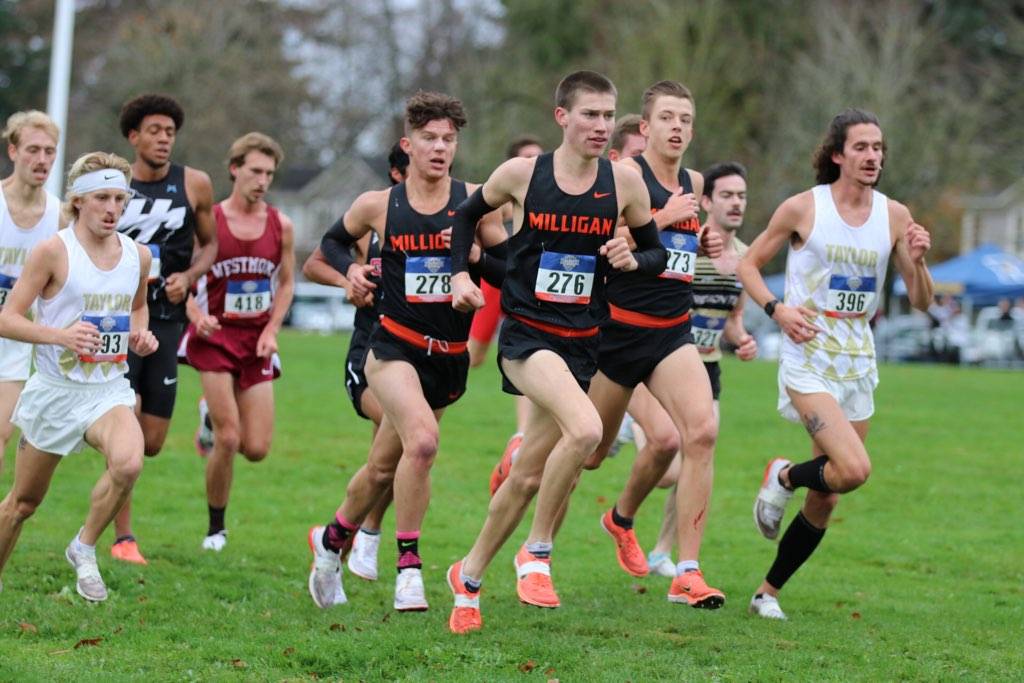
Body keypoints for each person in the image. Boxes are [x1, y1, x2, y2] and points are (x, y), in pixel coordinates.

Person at [445, 70, 668, 633]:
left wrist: (628, 258)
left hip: (582, 342)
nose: (600, 125)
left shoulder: (625, 185)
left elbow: (655, 255)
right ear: (561, 117)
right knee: (589, 431)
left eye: (607, 115)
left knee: (525, 476)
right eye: (589, 114)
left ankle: (467, 579)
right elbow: (467, 216)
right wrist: (457, 274)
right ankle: (536, 553)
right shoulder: (523, 174)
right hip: (527, 336)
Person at [306, 91, 507, 613]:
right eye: (429, 139)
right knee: (422, 443)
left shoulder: (476, 201)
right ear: (408, 144)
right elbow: (330, 244)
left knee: (381, 467)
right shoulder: (379, 206)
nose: (440, 148)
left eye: (448, 139)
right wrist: (349, 270)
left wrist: (478, 257)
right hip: (393, 349)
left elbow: (513, 271)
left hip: (449, 356)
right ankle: (409, 568)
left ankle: (330, 543)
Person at [737, 108, 933, 620]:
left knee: (831, 492)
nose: (873, 156)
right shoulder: (804, 208)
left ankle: (766, 593)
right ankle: (783, 476)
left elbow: (922, 300)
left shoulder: (895, 215)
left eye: (879, 148)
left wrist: (920, 258)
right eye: (863, 147)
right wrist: (777, 310)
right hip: (808, 358)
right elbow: (747, 264)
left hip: (858, 363)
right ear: (838, 155)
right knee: (853, 468)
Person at [0, 151, 158, 600]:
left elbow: (138, 309)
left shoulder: (137, 256)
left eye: (120, 199)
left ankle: (83, 546)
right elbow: (7, 318)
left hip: (107, 389)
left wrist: (141, 336)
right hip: (55, 390)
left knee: (129, 462)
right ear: (78, 201)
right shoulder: (53, 251)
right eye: (102, 198)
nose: (112, 209)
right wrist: (61, 337)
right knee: (22, 504)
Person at [111, 94, 217, 565]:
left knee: (151, 443)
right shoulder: (112, 184)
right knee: (126, 427)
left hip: (168, 319)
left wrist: (189, 278)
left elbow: (211, 246)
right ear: (133, 137)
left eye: (170, 132)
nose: (163, 139)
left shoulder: (194, 184)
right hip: (118, 319)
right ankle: (122, 537)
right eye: (153, 130)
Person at [299, 141, 409, 581]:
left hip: (414, 352)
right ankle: (367, 535)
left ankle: (336, 541)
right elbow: (313, 263)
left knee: (390, 452)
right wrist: (349, 276)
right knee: (398, 430)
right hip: (368, 351)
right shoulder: (372, 221)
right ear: (397, 174)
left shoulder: (439, 219)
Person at [643, 161, 758, 577]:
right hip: (664, 363)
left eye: (742, 196)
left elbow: (732, 319)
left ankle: (661, 551)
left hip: (708, 370)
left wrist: (742, 340)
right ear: (706, 201)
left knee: (696, 458)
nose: (736, 203)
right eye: (726, 195)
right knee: (667, 470)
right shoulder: (688, 245)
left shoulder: (747, 257)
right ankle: (621, 424)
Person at [183, 133, 294, 551]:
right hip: (215, 338)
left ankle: (208, 420)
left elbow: (285, 284)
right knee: (229, 439)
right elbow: (184, 278)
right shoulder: (209, 221)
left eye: (269, 173)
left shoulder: (280, 224)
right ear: (234, 169)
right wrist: (196, 316)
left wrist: (272, 330)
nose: (263, 180)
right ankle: (216, 528)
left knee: (256, 448)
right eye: (255, 171)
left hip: (256, 342)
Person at [470, 135, 545, 495]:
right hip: (500, 281)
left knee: (530, 344)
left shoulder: (555, 194)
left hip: (537, 286)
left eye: (538, 158)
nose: (533, 164)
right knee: (471, 356)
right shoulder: (501, 200)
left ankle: (521, 437)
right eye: (526, 159)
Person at [0, 111, 65, 476]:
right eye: (33, 150)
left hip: (14, 339)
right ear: (13, 151)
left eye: (49, 151)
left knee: (1, 434)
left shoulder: (59, 217)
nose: (42, 160)